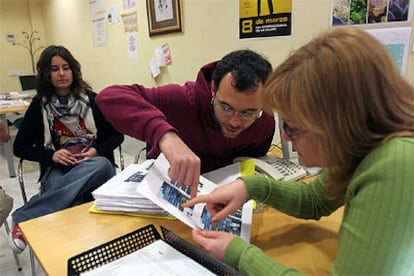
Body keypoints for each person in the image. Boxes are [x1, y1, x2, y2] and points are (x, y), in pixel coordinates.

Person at [182, 26, 414, 275]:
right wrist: (250, 187)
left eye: (293, 128)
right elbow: (314, 200)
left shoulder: (396, 164)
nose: (285, 138)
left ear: (335, 123)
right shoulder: (363, 147)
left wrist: (242, 255)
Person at [96, 49, 275, 197]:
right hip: (166, 188)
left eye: (248, 113)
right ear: (213, 89)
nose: (235, 122)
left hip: (221, 195)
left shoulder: (264, 122)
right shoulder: (184, 100)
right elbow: (109, 96)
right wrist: (165, 136)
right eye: (226, 108)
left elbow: (250, 164)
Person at [10, 45, 124, 253]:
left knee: (99, 165)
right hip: (58, 168)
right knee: (71, 201)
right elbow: (20, 147)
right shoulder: (40, 105)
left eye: (66, 67)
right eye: (54, 69)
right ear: (46, 73)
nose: (62, 73)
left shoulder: (92, 100)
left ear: (73, 70)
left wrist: (95, 151)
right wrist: (51, 155)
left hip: (95, 166)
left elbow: (117, 135)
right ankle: (80, 256)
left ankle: (24, 217)